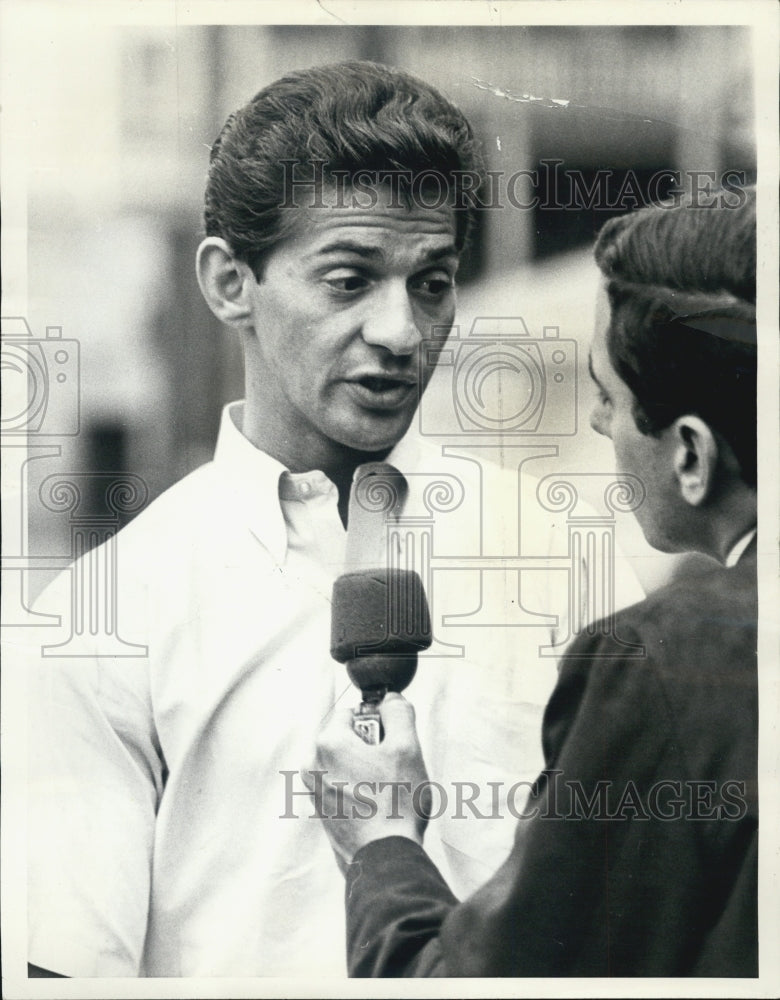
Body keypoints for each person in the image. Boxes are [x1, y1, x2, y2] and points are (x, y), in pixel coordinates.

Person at [24, 60, 642, 978]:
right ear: (231, 282)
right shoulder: (101, 619)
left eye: (431, 283)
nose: (401, 332)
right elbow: (64, 971)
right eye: (350, 280)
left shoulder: (568, 565)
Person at [309, 188, 758, 976]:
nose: (595, 424)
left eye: (607, 396)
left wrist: (381, 841)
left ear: (690, 454)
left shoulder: (661, 660)